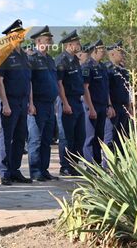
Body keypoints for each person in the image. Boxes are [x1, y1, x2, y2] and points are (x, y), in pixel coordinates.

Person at [0, 19, 34, 185]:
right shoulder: (4, 53)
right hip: (10, 100)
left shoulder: (24, 55)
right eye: (17, 33)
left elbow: (29, 81)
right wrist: (4, 103)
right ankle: (4, 171)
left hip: (23, 100)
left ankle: (15, 169)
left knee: (20, 137)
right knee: (6, 136)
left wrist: (31, 103)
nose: (20, 35)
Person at [26, 26, 59, 182]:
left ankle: (44, 169)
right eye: (47, 40)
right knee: (36, 139)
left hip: (50, 104)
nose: (50, 42)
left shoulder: (50, 59)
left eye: (50, 39)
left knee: (47, 139)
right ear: (38, 41)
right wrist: (31, 103)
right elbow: (29, 82)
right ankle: (35, 170)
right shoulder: (31, 58)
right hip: (37, 103)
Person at [55, 30, 85, 176]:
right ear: (69, 44)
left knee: (80, 135)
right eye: (77, 42)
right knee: (67, 136)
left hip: (77, 101)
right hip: (67, 100)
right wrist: (65, 103)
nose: (79, 44)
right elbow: (59, 84)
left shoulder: (76, 60)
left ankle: (74, 165)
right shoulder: (62, 60)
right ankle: (65, 166)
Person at [82, 40, 115, 165]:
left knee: (99, 137)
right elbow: (85, 88)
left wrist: (109, 105)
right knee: (90, 137)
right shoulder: (87, 66)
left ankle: (98, 165)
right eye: (102, 50)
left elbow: (106, 88)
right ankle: (90, 166)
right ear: (95, 50)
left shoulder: (102, 67)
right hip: (92, 105)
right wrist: (91, 108)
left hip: (102, 106)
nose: (104, 52)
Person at [106, 41, 131, 152]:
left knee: (122, 136)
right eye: (120, 52)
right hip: (114, 106)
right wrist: (109, 105)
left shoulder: (123, 70)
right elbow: (106, 89)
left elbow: (127, 88)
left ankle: (120, 164)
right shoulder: (107, 69)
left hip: (123, 106)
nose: (123, 55)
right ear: (112, 54)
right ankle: (108, 165)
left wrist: (129, 105)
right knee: (110, 136)